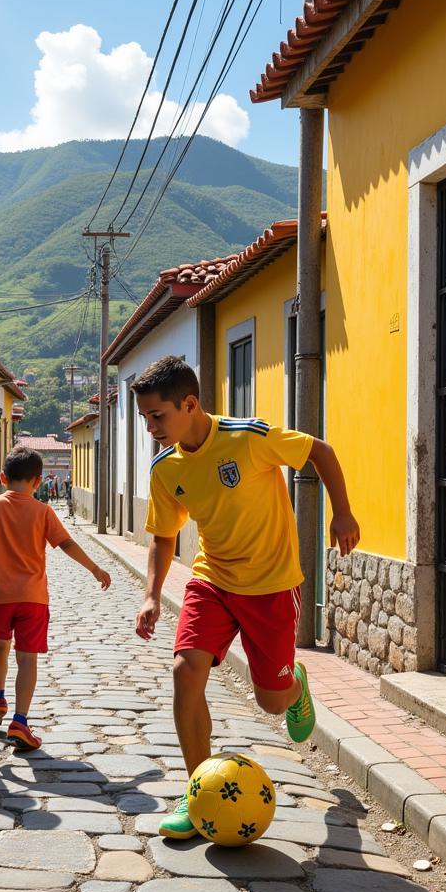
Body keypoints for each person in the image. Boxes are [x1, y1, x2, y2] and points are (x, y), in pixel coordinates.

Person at [131, 356, 359, 839]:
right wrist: (152, 594)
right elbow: (163, 536)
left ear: (189, 404)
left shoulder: (248, 438)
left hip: (272, 586)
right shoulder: (165, 468)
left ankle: (294, 685)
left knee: (272, 705)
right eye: (145, 417)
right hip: (212, 580)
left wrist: (341, 513)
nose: (150, 426)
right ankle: (197, 796)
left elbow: (321, 450)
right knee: (184, 670)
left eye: (158, 416)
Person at [0, 445, 112, 750]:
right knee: (27, 658)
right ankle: (20, 721)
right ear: (39, 481)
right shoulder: (43, 511)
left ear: (3, 477)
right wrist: (94, 568)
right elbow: (65, 544)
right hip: (33, 598)